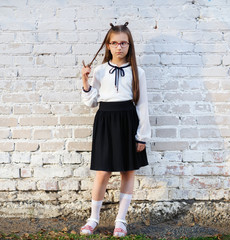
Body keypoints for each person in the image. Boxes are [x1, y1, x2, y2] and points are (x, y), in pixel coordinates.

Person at [79, 22, 151, 237]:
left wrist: (142, 136)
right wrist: (84, 79)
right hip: (106, 121)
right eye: (114, 43)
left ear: (129, 45)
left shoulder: (138, 72)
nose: (119, 47)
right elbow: (91, 102)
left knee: (128, 171)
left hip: (128, 121)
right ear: (107, 46)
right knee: (103, 171)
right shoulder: (100, 70)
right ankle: (93, 218)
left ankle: (121, 220)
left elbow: (143, 104)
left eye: (123, 43)